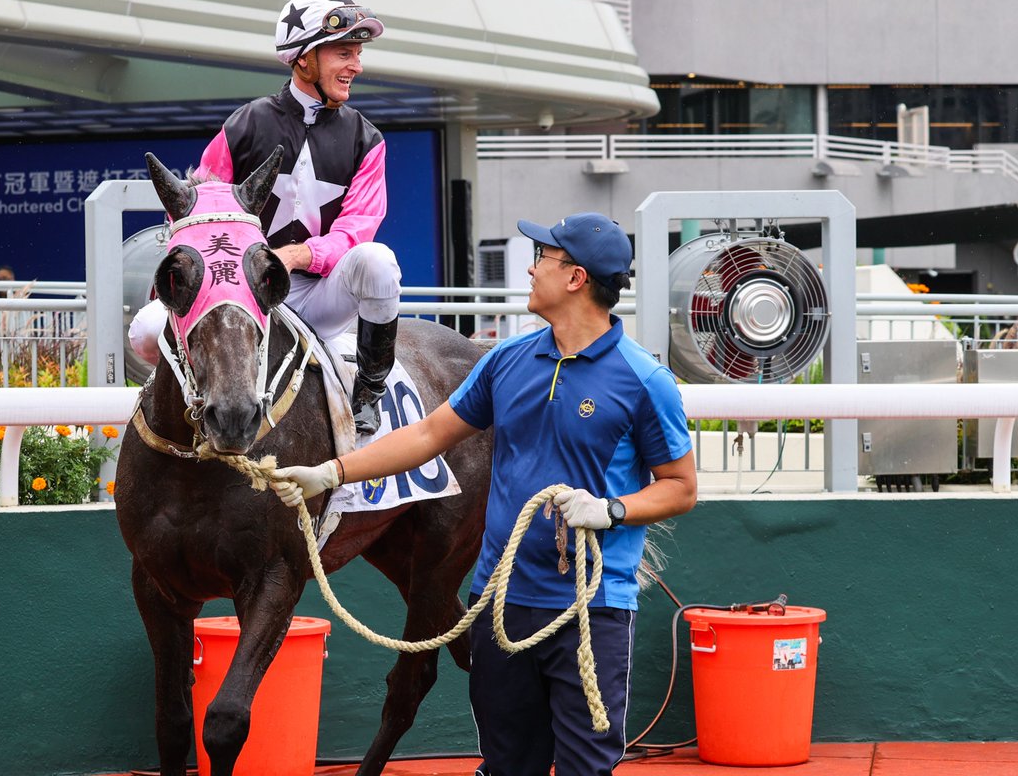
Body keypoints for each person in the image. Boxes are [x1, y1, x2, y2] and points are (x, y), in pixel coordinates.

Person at [271, 212, 698, 775]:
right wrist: (331, 473)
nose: (530, 267)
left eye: (543, 258)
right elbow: (426, 435)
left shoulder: (644, 381)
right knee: (506, 766)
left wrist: (610, 510)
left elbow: (681, 488)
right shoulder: (507, 361)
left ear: (576, 278)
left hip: (592, 613)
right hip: (500, 605)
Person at [129, 0, 400, 435]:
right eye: (344, 53)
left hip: (319, 295)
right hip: (240, 294)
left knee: (379, 261)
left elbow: (357, 229)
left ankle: (368, 394)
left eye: (359, 54)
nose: (357, 66)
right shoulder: (247, 124)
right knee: (144, 329)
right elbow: (198, 212)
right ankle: (191, 404)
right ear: (304, 59)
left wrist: (297, 257)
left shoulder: (366, 140)